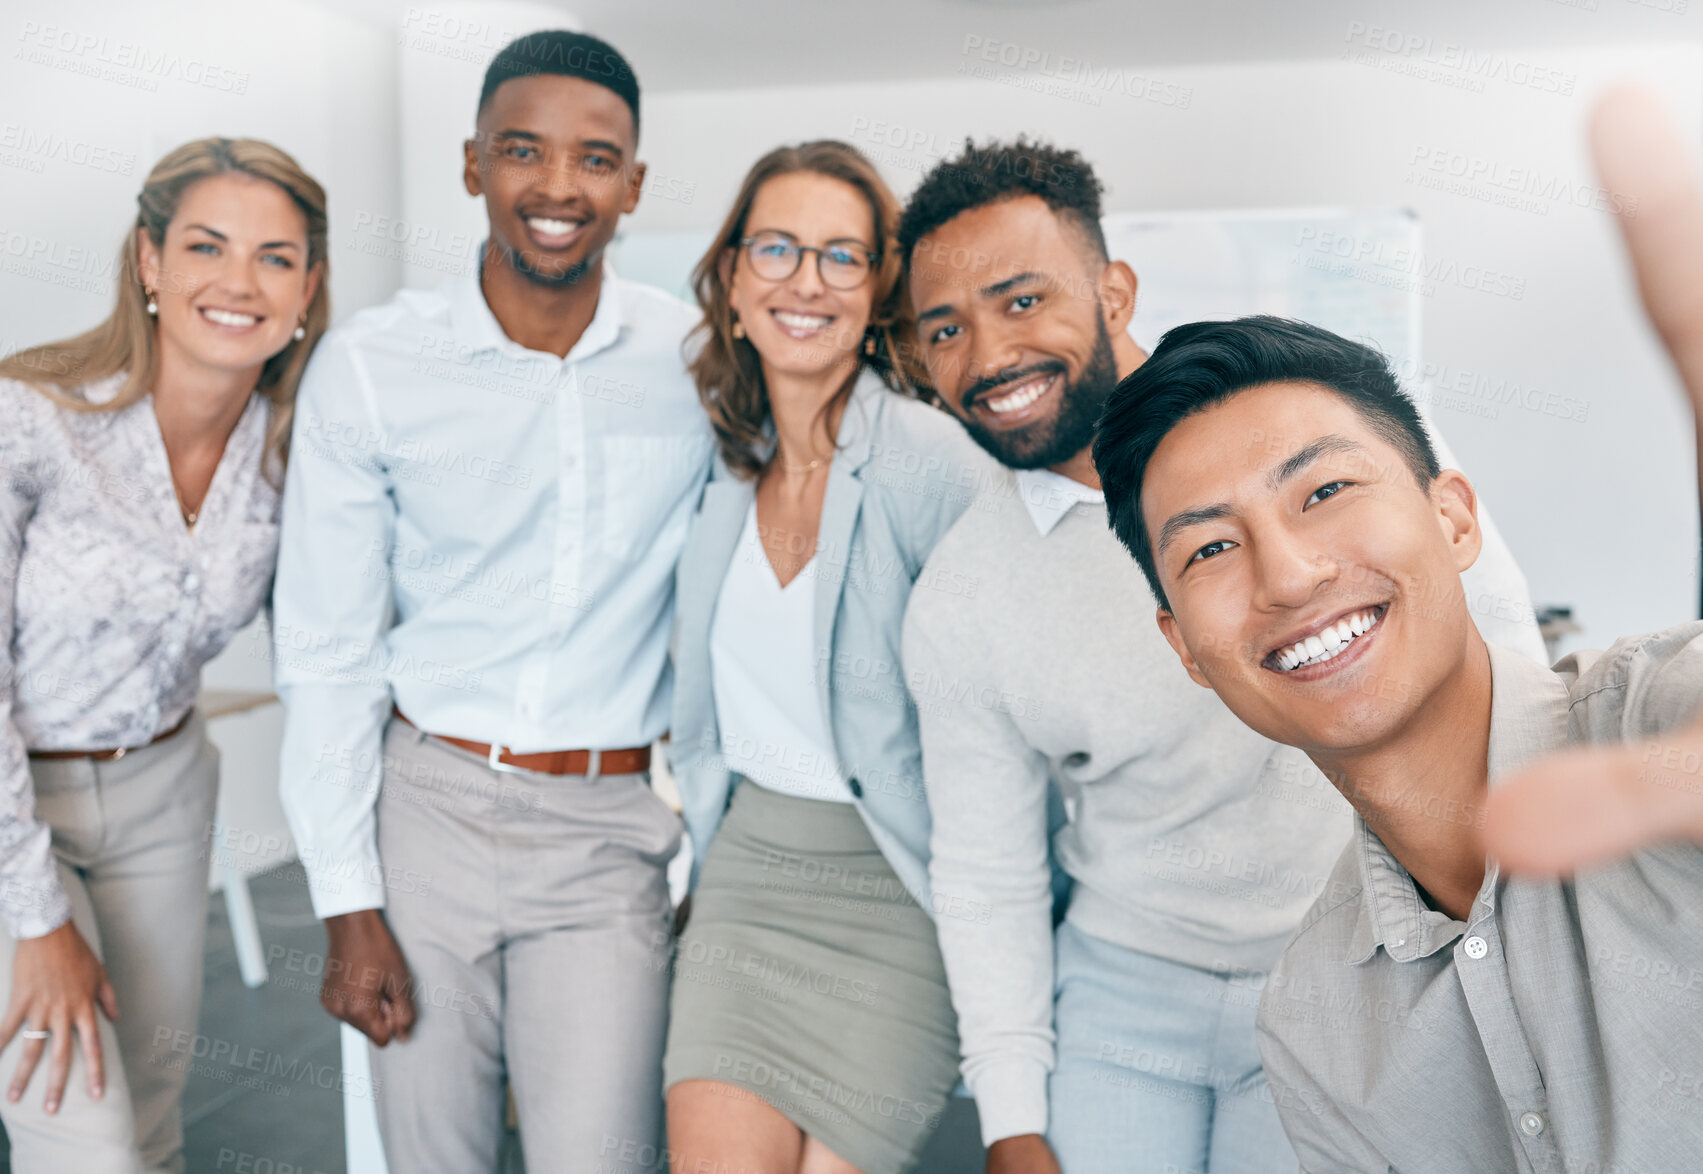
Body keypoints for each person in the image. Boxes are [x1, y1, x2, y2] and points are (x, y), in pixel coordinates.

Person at [895, 138, 1545, 1174]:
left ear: (1113, 290)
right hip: (1120, 994)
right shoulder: (960, 599)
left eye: (1021, 300)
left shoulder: (1325, 426)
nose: (987, 354)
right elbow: (985, 873)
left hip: (1350, 963)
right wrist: (1012, 1117)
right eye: (945, 327)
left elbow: (1504, 658)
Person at [1090, 86, 1703, 1174]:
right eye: (1209, 549)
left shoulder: (1658, 717)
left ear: (1453, 516)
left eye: (1322, 490)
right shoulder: (1314, 1024)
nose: (1286, 572)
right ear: (1181, 646)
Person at [272, 30, 710, 1173]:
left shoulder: (698, 361)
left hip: (607, 825)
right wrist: (343, 897)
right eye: (523, 151)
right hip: (425, 810)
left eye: (595, 158)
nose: (558, 187)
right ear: (474, 165)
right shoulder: (373, 367)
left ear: (634, 183)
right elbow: (325, 648)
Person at [663, 139, 996, 1174]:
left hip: (896, 891)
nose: (805, 282)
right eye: (775, 248)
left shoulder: (934, 464)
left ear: (877, 288)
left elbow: (1007, 706)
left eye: (840, 256)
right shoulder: (717, 470)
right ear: (729, 280)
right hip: (745, 884)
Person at [0, 137, 327, 1173]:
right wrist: (35, 918)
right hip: (13, 808)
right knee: (87, 1142)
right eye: (206, 247)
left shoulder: (295, 452)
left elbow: (346, 636)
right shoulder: (32, 419)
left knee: (151, 1122)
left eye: (276, 257)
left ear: (308, 288)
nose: (240, 283)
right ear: (149, 261)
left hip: (166, 794)